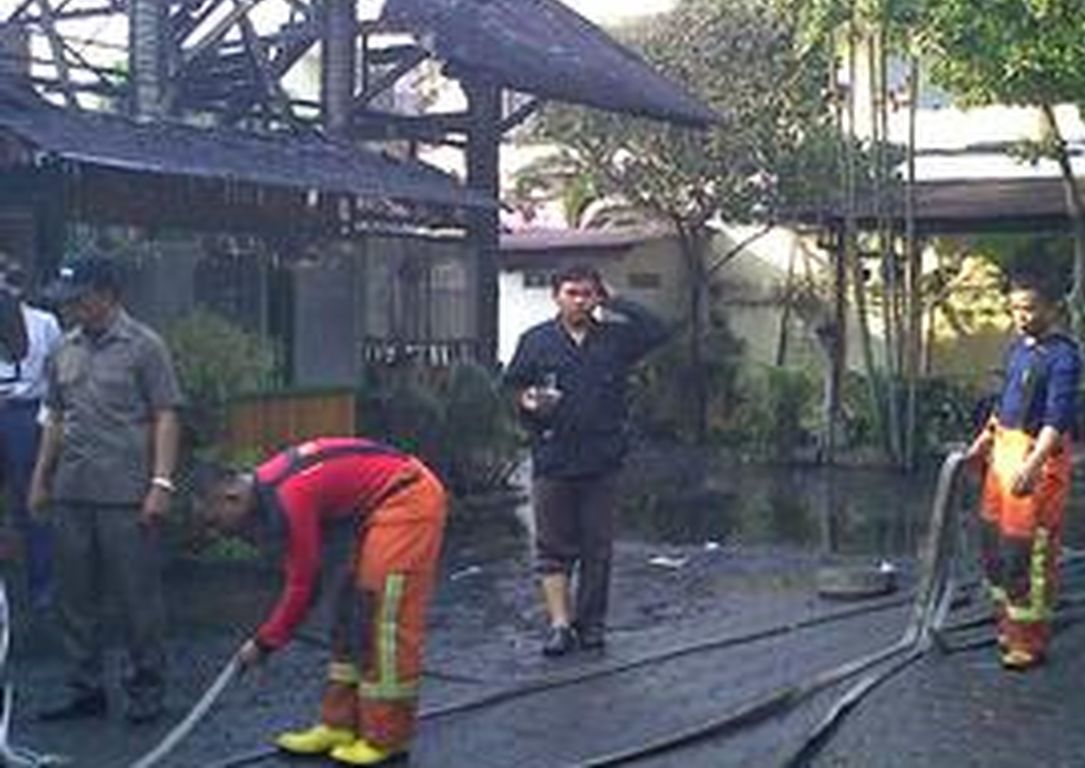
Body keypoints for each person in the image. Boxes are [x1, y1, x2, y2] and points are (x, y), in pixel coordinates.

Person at [200, 437, 448, 767]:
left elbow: (303, 584)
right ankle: (339, 725)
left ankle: (388, 739)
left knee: (384, 618)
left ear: (231, 497)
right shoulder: (271, 491)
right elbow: (306, 572)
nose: (220, 532)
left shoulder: (288, 495)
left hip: (408, 499)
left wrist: (264, 643)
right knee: (346, 610)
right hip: (372, 508)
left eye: (215, 521)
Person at [28, 254, 182, 724]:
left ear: (107, 295)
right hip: (72, 492)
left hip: (126, 495)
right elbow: (55, 417)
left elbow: (166, 414)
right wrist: (40, 480)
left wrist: (161, 483)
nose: (73, 309)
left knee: (137, 599)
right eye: (69, 301)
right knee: (74, 599)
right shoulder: (65, 348)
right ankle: (85, 689)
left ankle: (147, 689)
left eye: (80, 299)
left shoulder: (144, 346)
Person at [503, 263, 669, 657]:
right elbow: (512, 386)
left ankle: (591, 624)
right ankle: (560, 625)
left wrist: (618, 299)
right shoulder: (536, 341)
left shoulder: (616, 339)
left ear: (598, 297)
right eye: (572, 293)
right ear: (556, 296)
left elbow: (658, 331)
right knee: (552, 547)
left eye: (587, 293)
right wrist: (527, 401)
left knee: (598, 548)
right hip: (554, 456)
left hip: (602, 459)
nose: (579, 300)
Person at [966, 270, 1082, 670]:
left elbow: (1058, 416)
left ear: (1053, 307)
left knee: (1026, 551)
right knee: (994, 543)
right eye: (1015, 307)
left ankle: (1028, 641)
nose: (1021, 315)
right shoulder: (1018, 350)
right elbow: (1005, 403)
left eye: (1030, 307)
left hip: (1037, 457)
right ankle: (1006, 626)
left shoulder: (1063, 355)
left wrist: (1034, 464)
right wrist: (984, 440)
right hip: (1004, 452)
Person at [0, 254, 61, 608]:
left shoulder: (44, 323)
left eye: (9, 280)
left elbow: (55, 376)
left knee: (32, 499)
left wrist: (45, 418)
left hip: (26, 415)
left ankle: (42, 584)